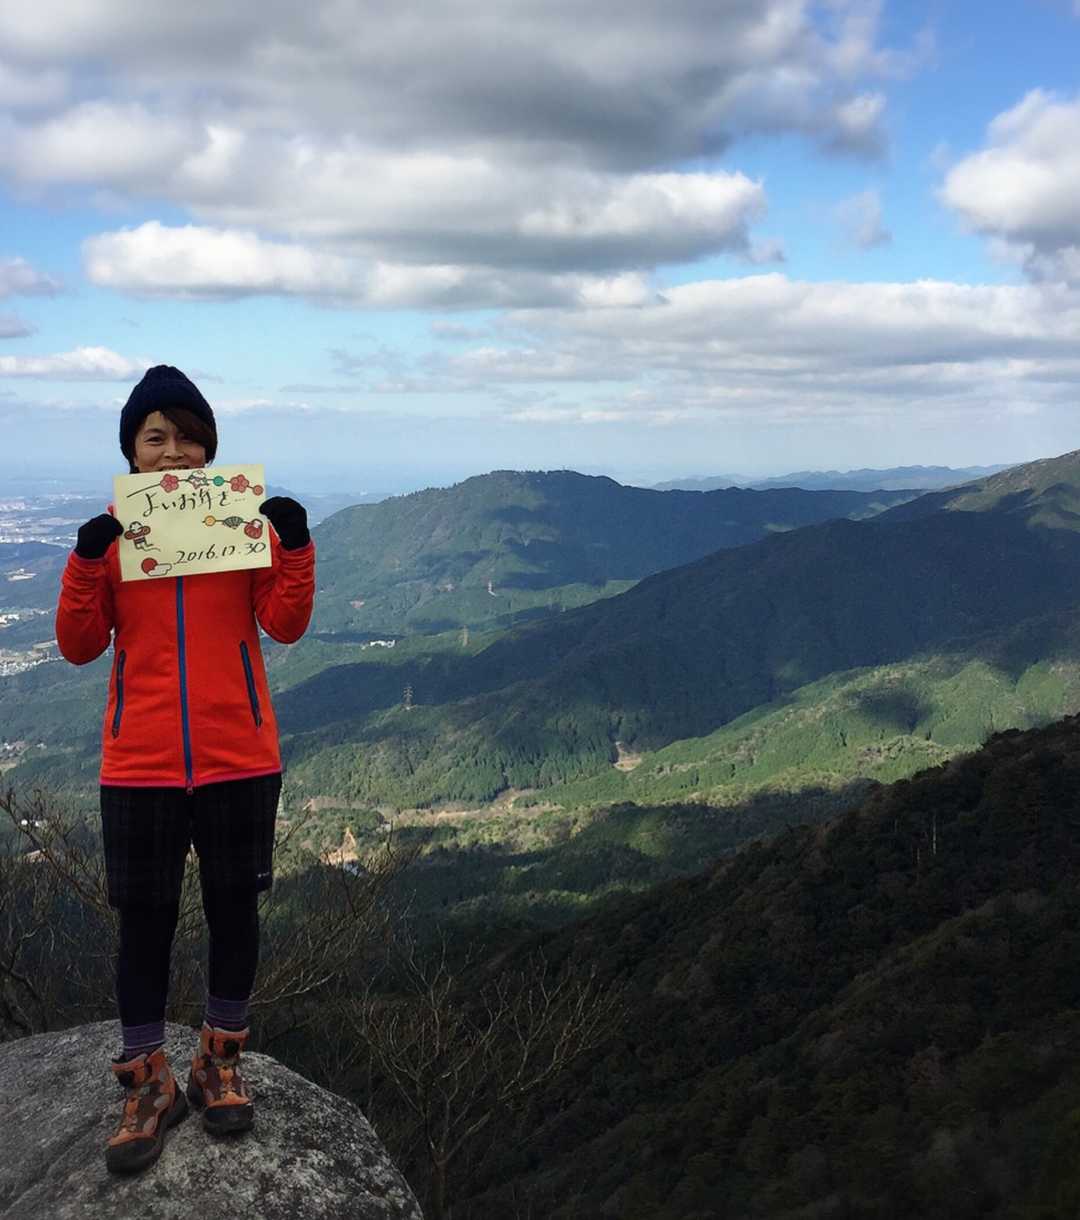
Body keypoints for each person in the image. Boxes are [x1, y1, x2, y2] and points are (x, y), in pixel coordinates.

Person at [54, 365, 316, 1174]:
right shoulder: (115, 537)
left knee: (236, 910)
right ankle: (147, 1083)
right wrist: (86, 561)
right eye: (155, 438)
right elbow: (78, 644)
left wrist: (294, 546)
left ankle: (218, 1062)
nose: (173, 452)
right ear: (132, 451)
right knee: (144, 921)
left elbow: (285, 622)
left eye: (188, 438)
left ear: (209, 449)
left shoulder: (238, 526)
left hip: (239, 754)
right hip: (141, 762)